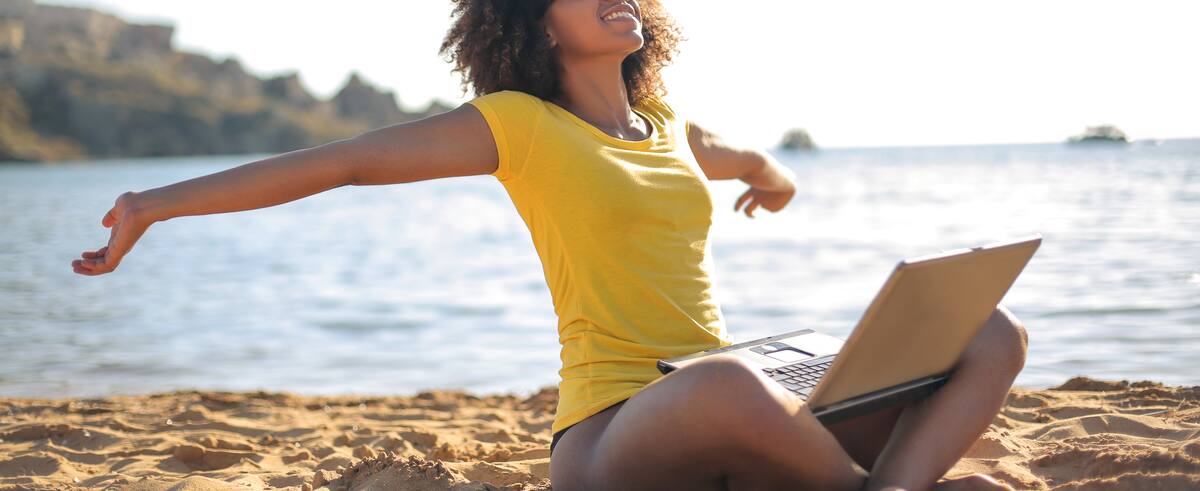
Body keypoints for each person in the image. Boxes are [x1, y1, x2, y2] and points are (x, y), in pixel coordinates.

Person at [71, 1, 1027, 490]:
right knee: (730, 383)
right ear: (535, 22)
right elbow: (346, 163)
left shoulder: (665, 125)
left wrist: (773, 186)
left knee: (987, 329)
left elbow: (749, 160)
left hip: (736, 404)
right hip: (619, 430)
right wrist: (154, 202)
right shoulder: (520, 123)